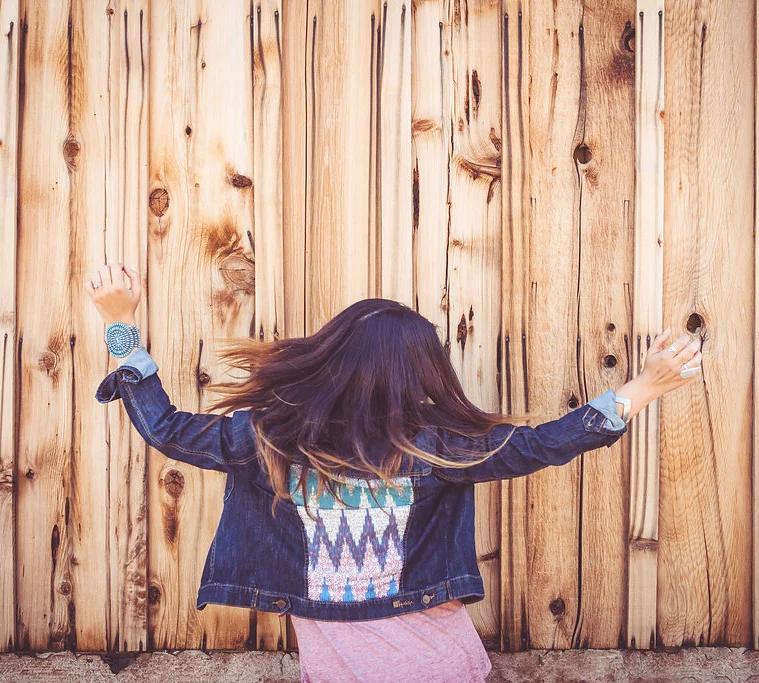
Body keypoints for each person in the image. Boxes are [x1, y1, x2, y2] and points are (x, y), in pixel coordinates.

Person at [84, 263, 702, 682]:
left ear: (332, 360)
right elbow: (542, 445)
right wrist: (641, 388)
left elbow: (164, 428)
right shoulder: (433, 449)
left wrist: (120, 324)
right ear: (421, 376)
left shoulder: (269, 439)